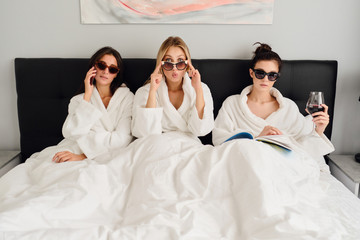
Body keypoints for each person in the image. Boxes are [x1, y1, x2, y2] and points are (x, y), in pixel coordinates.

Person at [212, 42, 334, 171]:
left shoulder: (288, 107)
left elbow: (302, 149)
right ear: (251, 73)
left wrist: (319, 130)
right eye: (260, 73)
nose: (265, 79)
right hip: (247, 164)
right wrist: (257, 139)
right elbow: (220, 140)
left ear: (276, 77)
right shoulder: (232, 104)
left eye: (272, 75)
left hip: (282, 166)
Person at [52, 46, 134, 163]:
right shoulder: (78, 100)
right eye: (102, 65)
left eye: (112, 69)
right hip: (74, 150)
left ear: (116, 74)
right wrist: (87, 96)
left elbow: (123, 139)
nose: (106, 71)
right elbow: (71, 133)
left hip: (112, 154)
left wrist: (84, 155)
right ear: (93, 67)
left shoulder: (127, 98)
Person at [131, 36, 214, 139]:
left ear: (187, 64)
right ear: (161, 64)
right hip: (156, 145)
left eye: (180, 61)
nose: (174, 69)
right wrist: (152, 91)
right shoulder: (145, 91)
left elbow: (201, 129)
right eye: (168, 61)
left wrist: (198, 90)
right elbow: (145, 133)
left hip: (189, 145)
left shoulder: (202, 89)